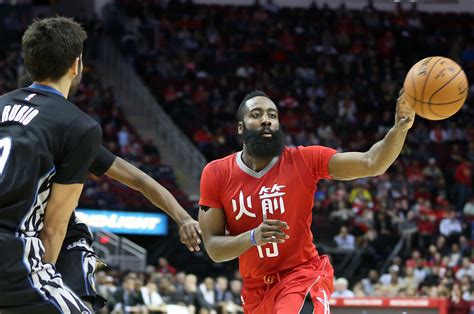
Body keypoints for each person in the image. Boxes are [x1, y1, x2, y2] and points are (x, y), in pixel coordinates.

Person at [199, 90, 414, 313]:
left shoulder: (304, 160)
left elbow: (372, 163)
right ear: (240, 128)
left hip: (301, 276)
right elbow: (214, 249)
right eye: (256, 114)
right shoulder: (216, 173)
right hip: (255, 290)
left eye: (272, 115)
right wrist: (253, 237)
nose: (266, 120)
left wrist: (399, 128)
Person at [17, 72, 202, 311]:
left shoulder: (71, 135)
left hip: (64, 237)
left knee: (79, 304)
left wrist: (183, 217)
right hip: (21, 233)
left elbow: (141, 180)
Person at [0, 17, 101, 313]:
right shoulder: (80, 126)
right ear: (75, 64)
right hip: (12, 256)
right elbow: (54, 228)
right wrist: (44, 277)